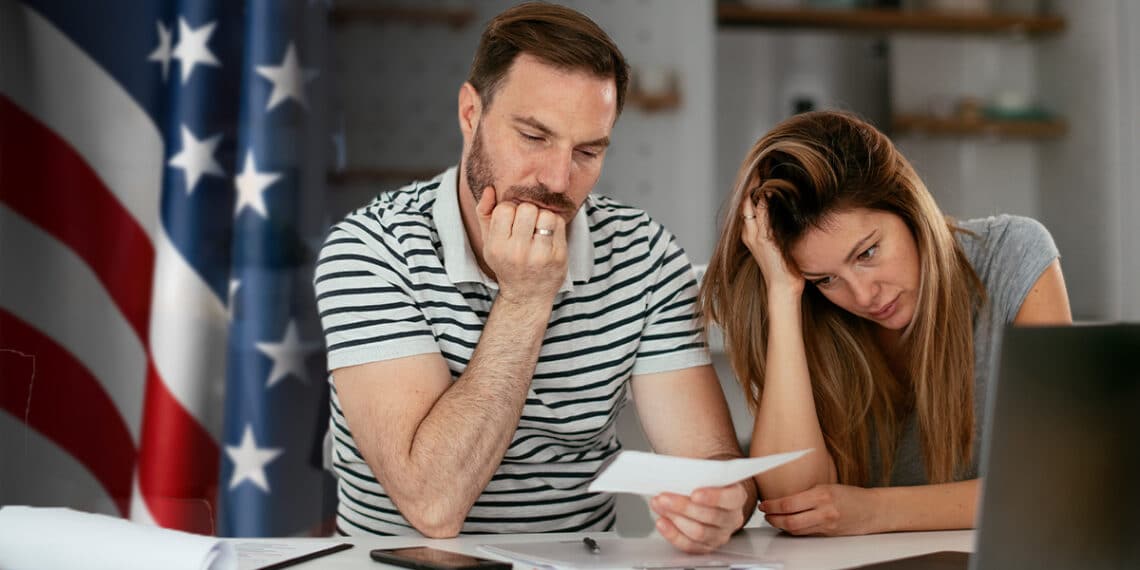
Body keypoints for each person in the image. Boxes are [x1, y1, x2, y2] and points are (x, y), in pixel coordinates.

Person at [314, 2, 755, 552]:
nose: (556, 180)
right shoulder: (369, 251)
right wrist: (525, 299)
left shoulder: (645, 255)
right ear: (470, 113)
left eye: (588, 151)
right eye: (533, 137)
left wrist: (725, 502)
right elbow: (432, 503)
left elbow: (709, 461)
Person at [700, 110, 1072, 536]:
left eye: (867, 253)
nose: (862, 296)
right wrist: (784, 293)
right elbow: (796, 499)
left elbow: (1053, 485)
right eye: (826, 278)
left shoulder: (1013, 257)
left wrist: (876, 511)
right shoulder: (808, 309)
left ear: (908, 205)